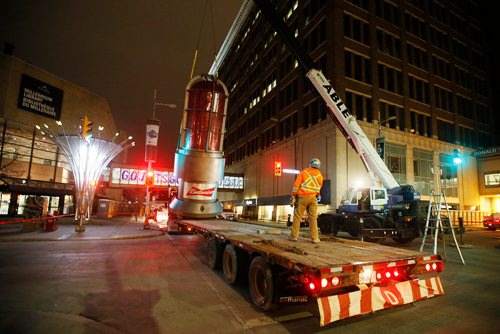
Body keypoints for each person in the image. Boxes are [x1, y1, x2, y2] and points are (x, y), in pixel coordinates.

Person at [290, 158, 324, 244]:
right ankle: (315, 238)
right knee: (313, 218)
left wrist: (293, 195)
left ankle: (294, 236)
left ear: (310, 164)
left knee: (297, 217)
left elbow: (296, 185)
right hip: (313, 198)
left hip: (302, 197)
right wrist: (318, 195)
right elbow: (318, 188)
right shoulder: (320, 175)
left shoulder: (304, 172)